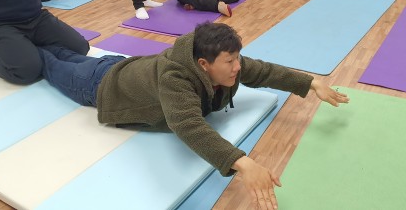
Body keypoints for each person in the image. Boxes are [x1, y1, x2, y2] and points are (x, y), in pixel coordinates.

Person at [37, 22, 349, 210]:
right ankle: (5, 48)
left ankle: (35, 41)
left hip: (121, 65)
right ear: (203, 63)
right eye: (230, 61)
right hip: (100, 85)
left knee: (66, 54)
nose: (237, 67)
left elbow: (263, 71)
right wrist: (244, 163)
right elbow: (186, 125)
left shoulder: (226, 62)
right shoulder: (176, 78)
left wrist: (310, 83)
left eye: (237, 58)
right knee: (44, 64)